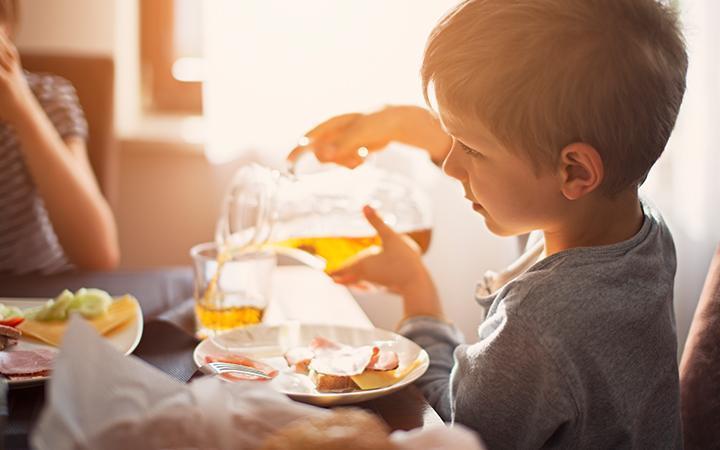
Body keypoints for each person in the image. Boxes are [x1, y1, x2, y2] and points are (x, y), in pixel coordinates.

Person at [290, 0, 688, 447]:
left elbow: (452, 434)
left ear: (575, 171)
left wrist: (416, 292)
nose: (450, 166)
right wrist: (405, 125)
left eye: (472, 151)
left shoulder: (538, 326)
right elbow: (527, 171)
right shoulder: (640, 231)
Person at [0, 0, 119, 274]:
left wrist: (21, 108)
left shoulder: (48, 98)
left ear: (6, 31)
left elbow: (99, 252)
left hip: (42, 289)